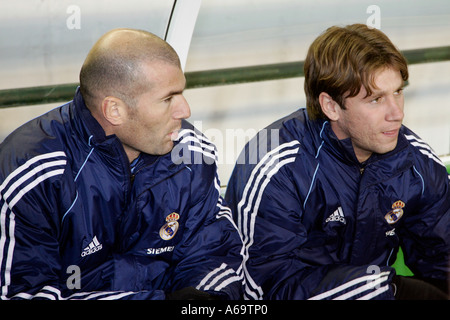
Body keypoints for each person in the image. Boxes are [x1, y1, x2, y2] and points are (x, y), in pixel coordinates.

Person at [0, 28, 243, 300]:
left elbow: (212, 254)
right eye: (167, 99)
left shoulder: (191, 154)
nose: (185, 110)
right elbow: (23, 294)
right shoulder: (33, 173)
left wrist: (205, 299)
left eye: (182, 93)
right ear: (115, 110)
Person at [225, 24, 449, 300]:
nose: (397, 113)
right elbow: (262, 287)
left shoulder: (416, 162)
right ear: (331, 106)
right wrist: (381, 291)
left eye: (398, 92)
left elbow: (442, 257)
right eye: (376, 99)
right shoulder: (276, 165)